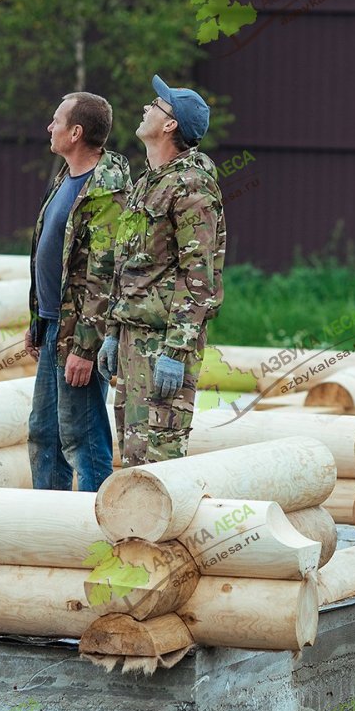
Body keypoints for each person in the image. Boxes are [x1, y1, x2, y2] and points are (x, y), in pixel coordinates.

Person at [97, 75, 226, 465]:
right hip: (134, 338)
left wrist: (175, 350)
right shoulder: (148, 183)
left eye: (155, 105)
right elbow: (130, 267)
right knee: (132, 453)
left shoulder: (191, 186)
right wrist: (113, 333)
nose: (145, 109)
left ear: (170, 125)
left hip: (165, 344)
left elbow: (198, 277)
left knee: (158, 458)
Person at [24, 92, 132, 491]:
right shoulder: (66, 177)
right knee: (44, 434)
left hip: (79, 336)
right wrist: (38, 319)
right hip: (54, 327)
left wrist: (86, 348)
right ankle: (52, 525)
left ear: (76, 132)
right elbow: (50, 256)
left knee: (82, 437)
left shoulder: (107, 191)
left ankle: (94, 529)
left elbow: (104, 276)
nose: (49, 128)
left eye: (56, 121)